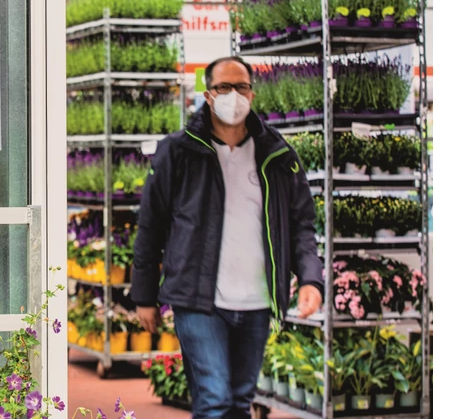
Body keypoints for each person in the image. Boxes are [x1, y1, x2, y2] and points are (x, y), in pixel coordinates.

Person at [130, 56, 324, 419]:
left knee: (238, 401)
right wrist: (144, 295)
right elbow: (150, 225)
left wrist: (311, 277)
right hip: (199, 300)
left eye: (241, 87)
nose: (233, 95)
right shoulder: (179, 150)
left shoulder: (277, 154)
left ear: (252, 93)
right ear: (207, 94)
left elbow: (301, 224)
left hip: (258, 301)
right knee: (215, 398)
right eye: (224, 87)